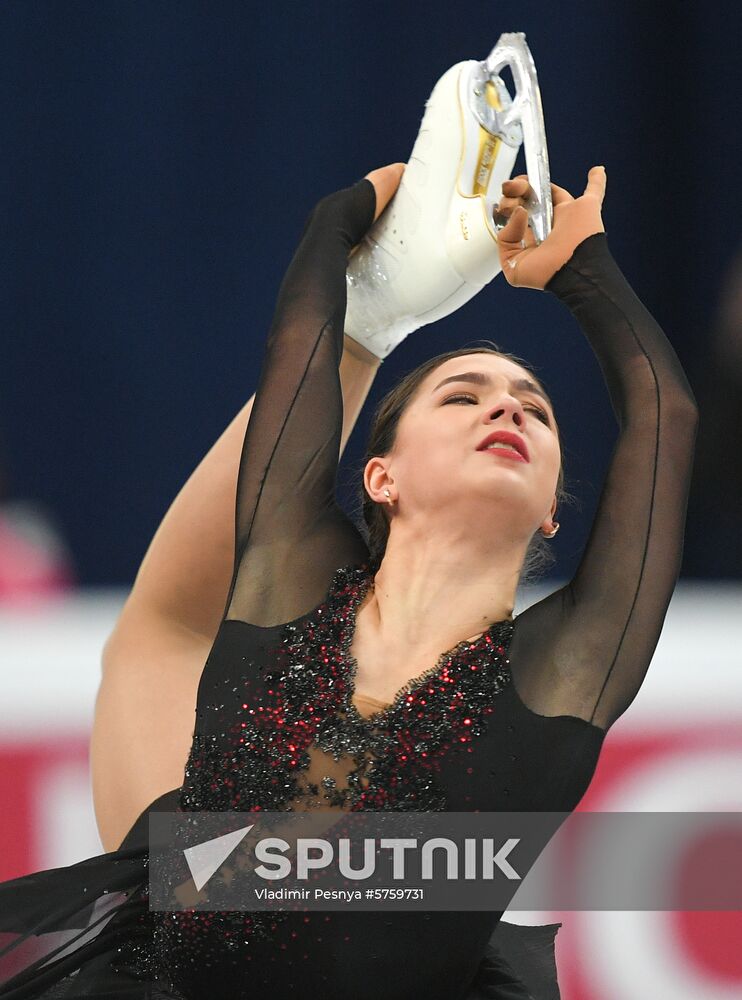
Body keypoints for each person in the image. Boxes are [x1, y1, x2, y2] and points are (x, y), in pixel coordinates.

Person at [0, 156, 698, 999]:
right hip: (187, 943)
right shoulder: (297, 581)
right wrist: (339, 231)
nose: (508, 408)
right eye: (462, 397)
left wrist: (584, 273)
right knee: (157, 651)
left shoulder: (561, 669)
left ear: (553, 509)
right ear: (381, 477)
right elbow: (297, 361)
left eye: (536, 409)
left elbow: (665, 416)